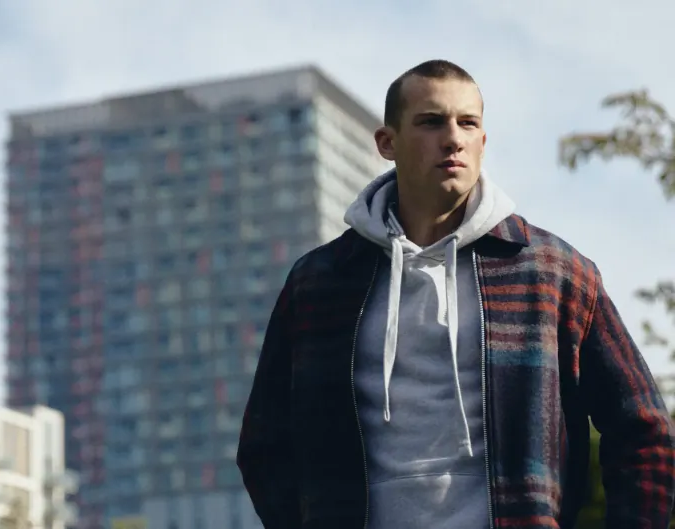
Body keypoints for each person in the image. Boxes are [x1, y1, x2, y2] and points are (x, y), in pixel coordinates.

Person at [236, 59, 675, 529]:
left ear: (483, 142)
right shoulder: (319, 282)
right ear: (388, 143)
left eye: (468, 123)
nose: (453, 138)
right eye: (430, 122)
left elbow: (643, 430)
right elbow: (264, 445)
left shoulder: (553, 272)